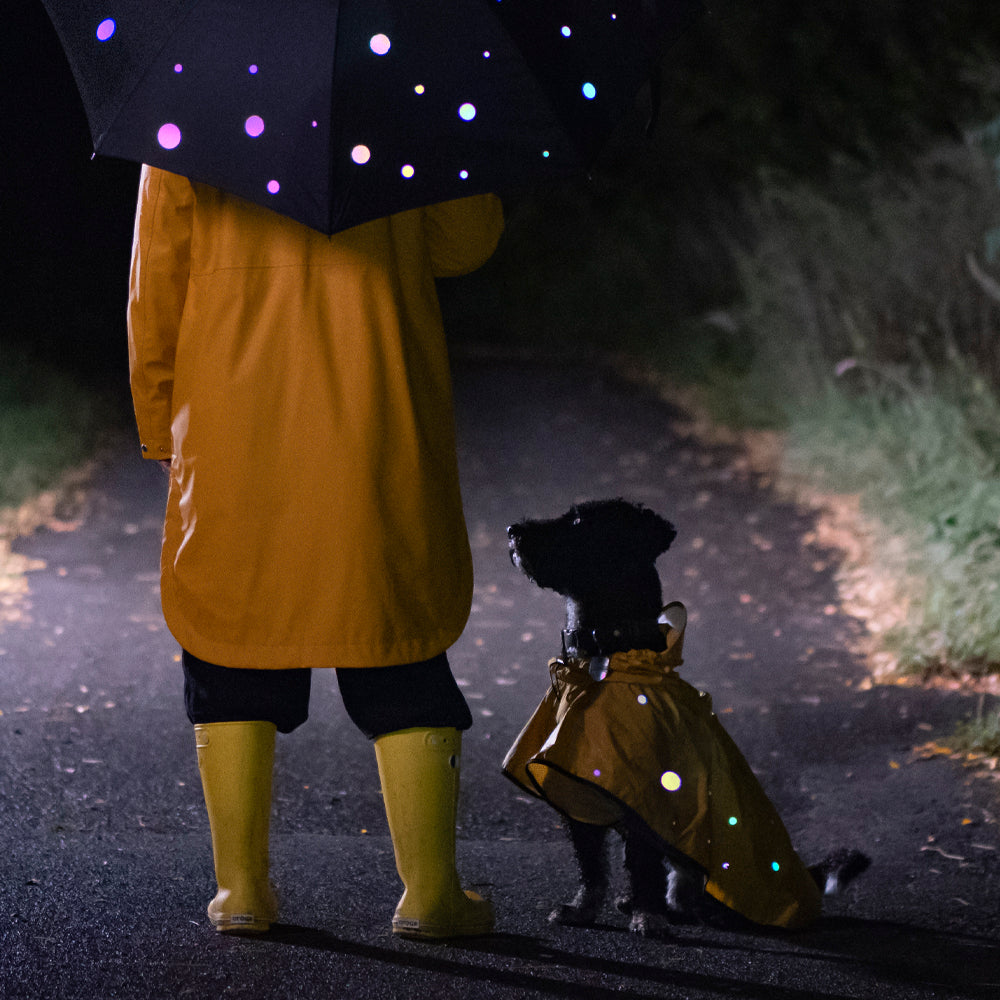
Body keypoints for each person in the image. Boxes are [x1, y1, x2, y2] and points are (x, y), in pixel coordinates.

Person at [127, 164, 504, 939]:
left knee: (231, 632)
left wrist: (161, 418)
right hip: (375, 411)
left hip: (233, 412)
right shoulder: (399, 86)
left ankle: (241, 892)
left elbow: (157, 275)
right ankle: (431, 895)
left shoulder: (188, 106)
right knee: (396, 628)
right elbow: (465, 243)